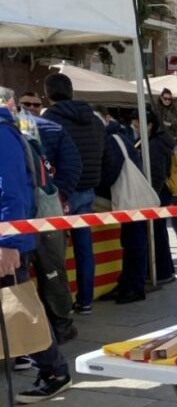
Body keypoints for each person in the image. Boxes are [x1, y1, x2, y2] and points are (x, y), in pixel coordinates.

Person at [0, 87, 72, 404]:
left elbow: (11, 191)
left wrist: (8, 243)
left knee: (21, 307)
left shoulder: (3, 134)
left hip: (7, 239)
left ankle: (54, 371)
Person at [17, 91, 80, 343]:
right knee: (51, 272)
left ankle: (43, 331)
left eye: (35, 104)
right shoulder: (47, 128)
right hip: (43, 211)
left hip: (34, 213)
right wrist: (57, 195)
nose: (30, 108)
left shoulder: (27, 131)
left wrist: (56, 194)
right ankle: (58, 326)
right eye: (27, 104)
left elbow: (72, 165)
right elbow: (73, 165)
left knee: (42, 273)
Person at [42, 73, 106, 316]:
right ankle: (86, 301)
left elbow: (44, 157)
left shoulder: (49, 119)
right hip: (89, 189)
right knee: (84, 248)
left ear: (48, 94)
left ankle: (60, 306)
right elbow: (102, 152)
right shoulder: (94, 120)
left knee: (55, 252)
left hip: (61, 192)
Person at [96, 112, 148, 304]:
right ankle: (127, 283)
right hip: (132, 197)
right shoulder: (120, 135)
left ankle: (135, 287)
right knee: (132, 242)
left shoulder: (111, 138)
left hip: (128, 197)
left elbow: (111, 170)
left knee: (134, 243)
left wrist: (98, 188)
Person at [140, 108, 177, 285]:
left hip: (158, 193)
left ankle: (162, 272)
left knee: (157, 234)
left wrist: (150, 196)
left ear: (150, 125)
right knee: (160, 232)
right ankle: (166, 270)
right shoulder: (162, 140)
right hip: (163, 192)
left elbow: (157, 173)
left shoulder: (154, 144)